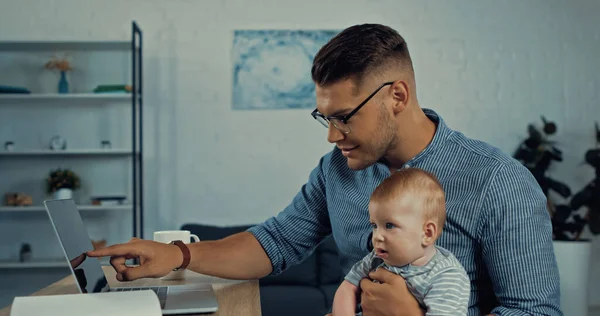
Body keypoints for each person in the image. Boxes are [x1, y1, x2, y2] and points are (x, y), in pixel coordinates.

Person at [87, 23, 562, 315]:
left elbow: (535, 311)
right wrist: (178, 256)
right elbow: (276, 241)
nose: (332, 136)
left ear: (397, 96)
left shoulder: (498, 181)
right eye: (324, 117)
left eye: (344, 117)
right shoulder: (339, 169)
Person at [332, 168, 470, 316]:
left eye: (389, 226)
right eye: (374, 226)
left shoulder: (445, 275)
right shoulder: (376, 258)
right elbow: (348, 286)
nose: (377, 236)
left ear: (427, 233)